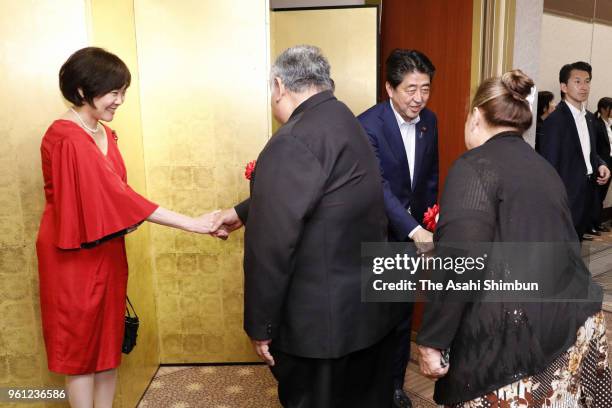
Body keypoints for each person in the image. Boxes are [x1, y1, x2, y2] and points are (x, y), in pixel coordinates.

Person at [211, 45, 403, 408]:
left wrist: (260, 325)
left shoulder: (293, 140)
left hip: (320, 327)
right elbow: (331, 191)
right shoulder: (345, 118)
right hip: (363, 312)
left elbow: (270, 248)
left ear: (280, 86)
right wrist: (244, 210)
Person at [36, 47, 219, 408]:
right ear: (82, 91)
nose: (119, 100)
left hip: (105, 249)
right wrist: (193, 223)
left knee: (107, 342)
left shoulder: (103, 132)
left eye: (122, 92)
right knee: (80, 350)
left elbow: (118, 196)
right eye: (113, 92)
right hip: (71, 255)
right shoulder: (68, 138)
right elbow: (118, 199)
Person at [415, 70, 611, 406]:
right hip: (575, 325)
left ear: (476, 116)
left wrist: (432, 340)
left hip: (519, 342)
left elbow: (461, 261)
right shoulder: (541, 167)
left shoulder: (475, 167)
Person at [357, 48, 439, 408]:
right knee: (375, 317)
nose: (419, 98)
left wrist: (429, 220)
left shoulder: (429, 121)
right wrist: (413, 229)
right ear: (390, 88)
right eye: (410, 89)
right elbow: (378, 187)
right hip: (378, 236)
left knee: (402, 316)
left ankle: (394, 386)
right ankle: (367, 388)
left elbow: (429, 177)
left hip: (412, 238)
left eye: (425, 88)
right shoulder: (368, 125)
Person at [536, 61, 610, 240]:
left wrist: (601, 164)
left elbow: (589, 153)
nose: (584, 87)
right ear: (564, 86)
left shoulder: (590, 119)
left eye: (587, 81)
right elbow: (549, 166)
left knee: (574, 249)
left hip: (587, 194)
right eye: (577, 81)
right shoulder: (555, 122)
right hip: (565, 198)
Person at [593, 97, 612, 232]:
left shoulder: (610, 124)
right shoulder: (597, 124)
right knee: (597, 195)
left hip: (610, 163)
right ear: (604, 109)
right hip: (602, 164)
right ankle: (593, 223)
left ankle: (597, 222)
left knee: (603, 195)